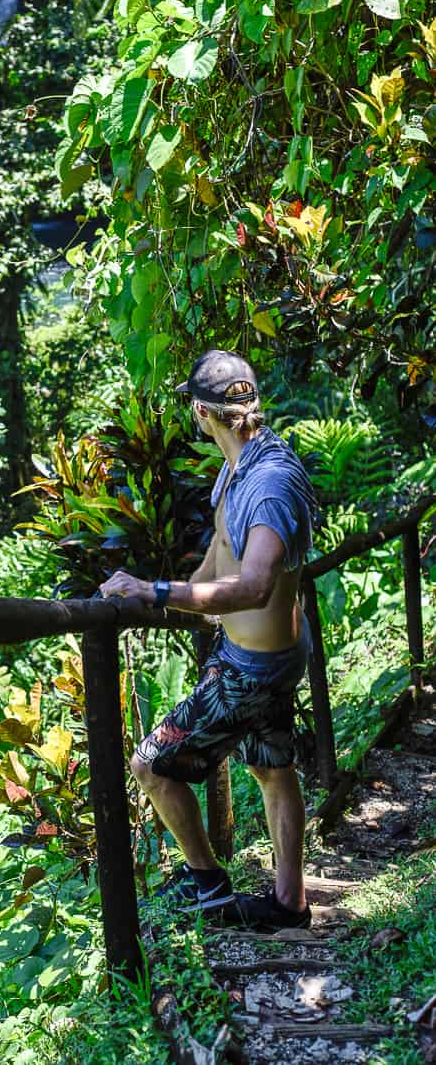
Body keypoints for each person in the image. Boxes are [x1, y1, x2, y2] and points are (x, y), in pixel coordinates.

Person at [99, 349, 317, 931]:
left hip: (253, 666)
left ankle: (211, 890)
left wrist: (156, 588)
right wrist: (159, 601)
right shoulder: (238, 466)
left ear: (200, 412)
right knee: (272, 770)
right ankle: (289, 904)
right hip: (260, 655)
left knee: (151, 766)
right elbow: (218, 560)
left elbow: (252, 586)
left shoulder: (268, 483)